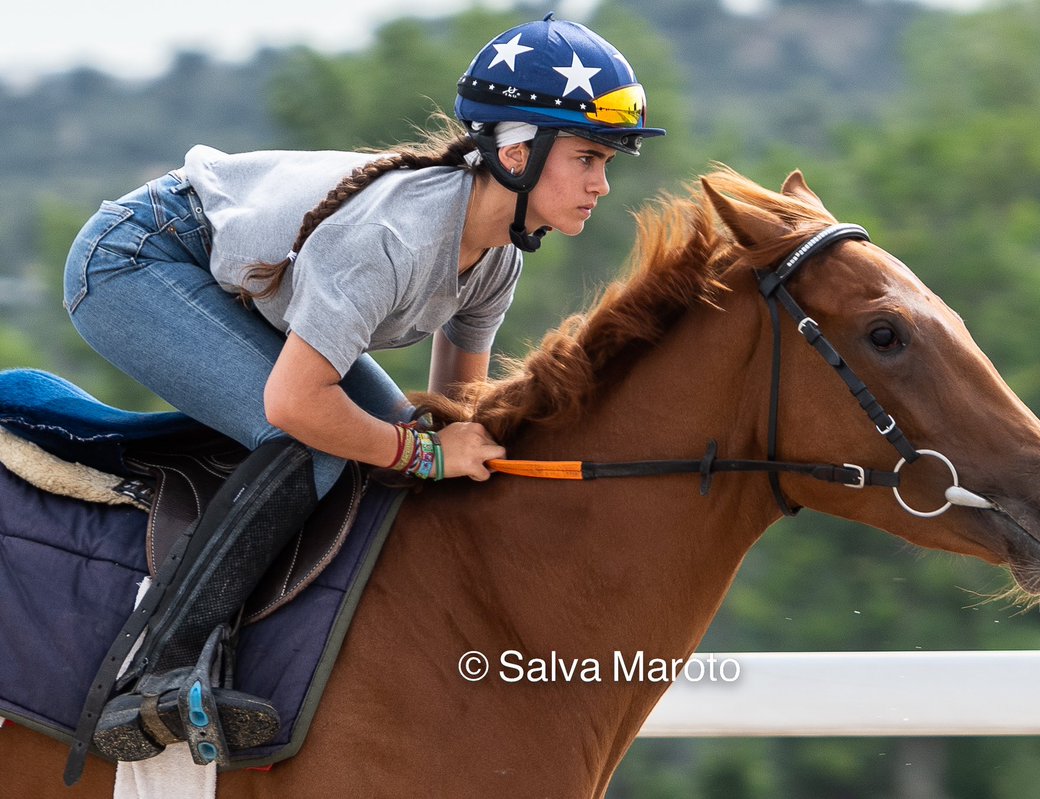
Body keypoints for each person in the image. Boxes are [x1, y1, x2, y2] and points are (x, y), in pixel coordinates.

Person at [61, 13, 665, 772]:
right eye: (587, 157)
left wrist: (452, 455)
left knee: (390, 441)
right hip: (135, 263)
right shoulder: (398, 238)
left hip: (223, 282)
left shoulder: (497, 256)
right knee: (313, 446)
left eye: (607, 161)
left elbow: (452, 414)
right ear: (516, 151)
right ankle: (156, 674)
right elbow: (296, 408)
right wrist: (421, 452)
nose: (602, 183)